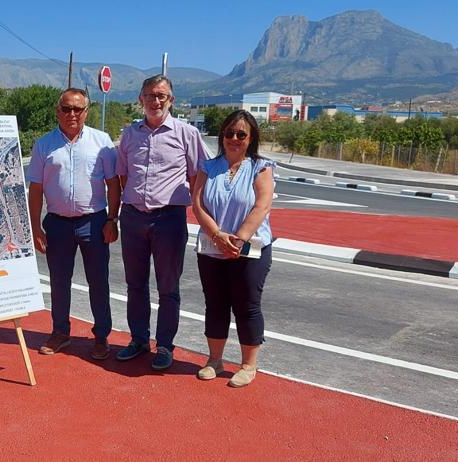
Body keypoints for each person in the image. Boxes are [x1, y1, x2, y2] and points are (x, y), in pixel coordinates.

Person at [115, 74, 211, 370]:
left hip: (169, 219)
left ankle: (165, 346)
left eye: (161, 96)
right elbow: (122, 175)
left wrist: (202, 215)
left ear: (171, 100)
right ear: (140, 99)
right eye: (150, 95)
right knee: (135, 284)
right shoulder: (129, 135)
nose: (155, 101)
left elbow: (198, 176)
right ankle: (139, 339)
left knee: (168, 287)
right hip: (132, 217)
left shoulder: (186, 133)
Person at [26, 88, 120, 359]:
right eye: (66, 108)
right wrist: (36, 228)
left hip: (94, 222)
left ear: (86, 112)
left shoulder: (102, 142)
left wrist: (112, 219)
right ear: (58, 111)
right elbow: (36, 189)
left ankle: (101, 336)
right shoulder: (44, 145)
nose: (71, 114)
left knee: (98, 281)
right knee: (59, 281)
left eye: (77, 109)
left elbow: (113, 184)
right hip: (57, 225)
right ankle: (60, 332)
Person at [190, 109, 275, 388]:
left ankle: (249, 365)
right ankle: (214, 360)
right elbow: (198, 203)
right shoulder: (208, 166)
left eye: (241, 134)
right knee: (215, 303)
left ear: (250, 139)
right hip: (212, 247)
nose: (234, 138)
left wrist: (238, 240)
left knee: (247, 305)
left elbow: (262, 205)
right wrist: (216, 236)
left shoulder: (260, 167)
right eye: (229, 133)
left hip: (248, 250)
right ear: (222, 136)